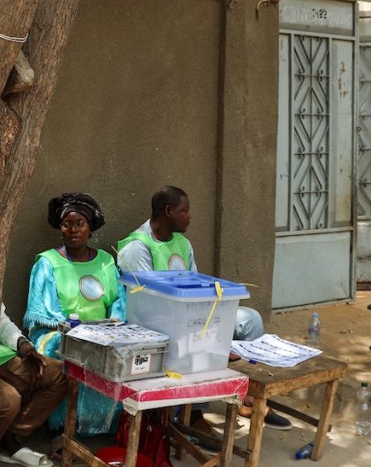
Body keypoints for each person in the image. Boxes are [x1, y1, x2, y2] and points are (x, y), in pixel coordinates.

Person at [116, 185, 291, 451]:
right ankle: (195, 415)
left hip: (189, 318)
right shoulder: (137, 248)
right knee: (197, 340)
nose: (189, 216)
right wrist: (213, 338)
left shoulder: (182, 243)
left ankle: (248, 399)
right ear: (167, 211)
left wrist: (220, 333)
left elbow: (197, 288)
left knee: (250, 319)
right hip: (154, 325)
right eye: (184, 211)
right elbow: (143, 304)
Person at [24, 192, 126, 435]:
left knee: (120, 351)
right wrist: (72, 329)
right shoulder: (47, 263)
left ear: (90, 228)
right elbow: (39, 310)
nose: (73, 230)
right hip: (58, 332)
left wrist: (110, 326)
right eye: (67, 224)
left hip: (103, 331)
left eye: (80, 224)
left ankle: (104, 425)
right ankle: (65, 430)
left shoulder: (105, 262)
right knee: (70, 350)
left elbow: (119, 302)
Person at [0, 304, 67, 467]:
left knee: (59, 376)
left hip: (4, 358)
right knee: (9, 399)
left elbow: (0, 321)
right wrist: (11, 378)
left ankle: (7, 439)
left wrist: (24, 345)